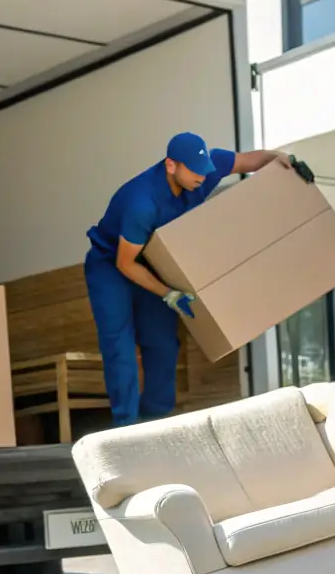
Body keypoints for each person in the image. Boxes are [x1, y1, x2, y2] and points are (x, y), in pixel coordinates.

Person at [84, 132, 315, 427]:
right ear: (171, 166)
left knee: (164, 344)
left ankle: (154, 420)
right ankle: (125, 426)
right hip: (112, 266)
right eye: (194, 172)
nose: (201, 178)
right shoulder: (141, 203)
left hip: (153, 262)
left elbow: (249, 160)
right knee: (121, 346)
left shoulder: (205, 168)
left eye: (204, 171)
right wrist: (168, 293)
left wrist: (284, 160)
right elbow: (125, 264)